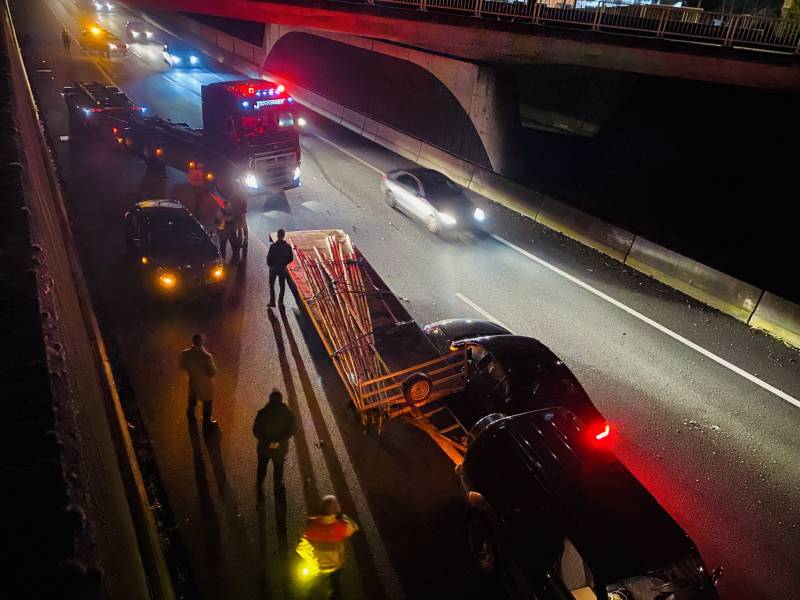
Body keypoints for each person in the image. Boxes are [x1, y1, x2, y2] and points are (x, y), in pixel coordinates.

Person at [297, 495, 359, 600]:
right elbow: (354, 527)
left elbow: (302, 546)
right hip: (336, 564)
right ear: (337, 511)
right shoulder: (342, 527)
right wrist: (342, 516)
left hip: (317, 565)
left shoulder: (311, 524)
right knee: (335, 582)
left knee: (311, 583)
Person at [252, 389, 295, 493]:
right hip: (280, 448)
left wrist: (267, 441)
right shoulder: (288, 413)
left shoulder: (262, 413)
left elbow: (256, 431)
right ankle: (277, 484)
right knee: (278, 467)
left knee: (262, 465)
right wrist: (279, 441)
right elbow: (293, 429)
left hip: (264, 447)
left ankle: (260, 481)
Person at [179, 333, 219, 433]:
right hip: (205, 383)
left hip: (193, 381)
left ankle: (191, 415)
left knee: (192, 399)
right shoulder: (206, 356)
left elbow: (182, 366)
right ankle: (207, 423)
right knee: (207, 402)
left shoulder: (185, 353)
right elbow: (213, 372)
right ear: (201, 342)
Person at [266, 228, 293, 308]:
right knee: (282, 285)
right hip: (282, 268)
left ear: (277, 236)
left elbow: (268, 258)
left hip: (273, 268)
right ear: (284, 236)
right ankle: (280, 302)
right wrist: (284, 264)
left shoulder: (273, 246)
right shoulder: (287, 247)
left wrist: (270, 266)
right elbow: (291, 258)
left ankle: (272, 301)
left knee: (271, 284)